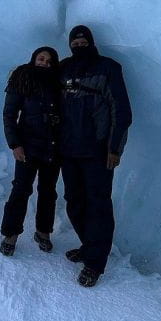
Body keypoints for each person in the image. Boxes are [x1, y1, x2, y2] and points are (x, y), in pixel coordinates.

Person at [59, 25, 132, 287]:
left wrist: (114, 148)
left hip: (98, 150)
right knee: (74, 200)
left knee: (98, 204)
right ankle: (89, 246)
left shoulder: (108, 67)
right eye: (75, 42)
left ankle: (95, 263)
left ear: (91, 42)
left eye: (83, 41)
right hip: (68, 150)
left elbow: (121, 110)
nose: (79, 44)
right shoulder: (64, 68)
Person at [0, 46, 62, 256]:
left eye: (49, 60)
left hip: (53, 146)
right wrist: (15, 144)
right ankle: (11, 234)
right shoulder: (22, 78)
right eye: (41, 58)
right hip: (28, 145)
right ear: (34, 58)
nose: (44, 63)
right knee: (21, 189)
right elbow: (9, 114)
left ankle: (43, 232)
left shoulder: (57, 82)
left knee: (48, 191)